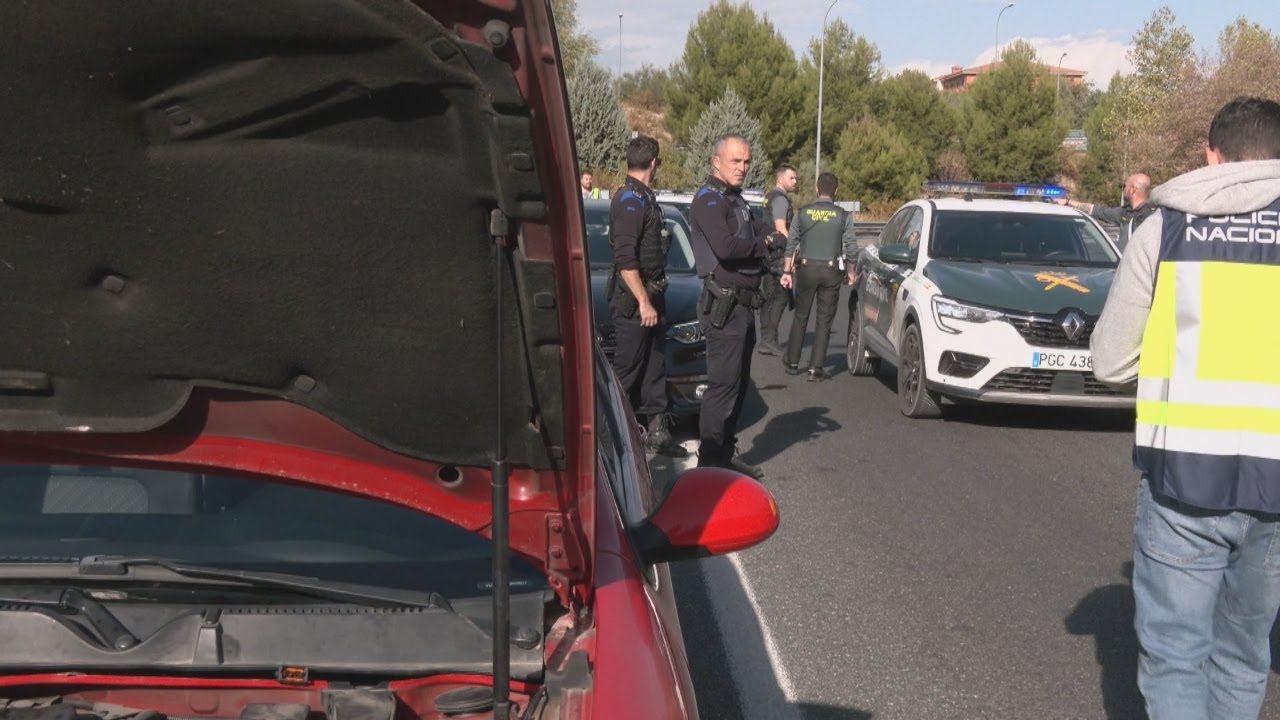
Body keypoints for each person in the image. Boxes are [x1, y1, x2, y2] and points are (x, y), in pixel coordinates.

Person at [1091, 96, 1280, 720]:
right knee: (1245, 655)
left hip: (1183, 481)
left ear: (1210, 155)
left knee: (1175, 656)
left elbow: (1111, 362)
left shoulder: (1163, 228)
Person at [688, 134, 771, 480]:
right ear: (716, 162)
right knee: (722, 387)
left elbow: (759, 228)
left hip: (744, 307)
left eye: (747, 161)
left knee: (737, 385)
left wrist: (774, 235)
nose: (742, 167)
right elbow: (726, 247)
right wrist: (763, 244)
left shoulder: (736, 199)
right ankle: (709, 465)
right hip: (724, 305)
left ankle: (724, 453)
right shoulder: (708, 200)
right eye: (736, 161)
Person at [605, 135, 687, 458]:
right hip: (635, 303)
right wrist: (642, 301)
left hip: (653, 296)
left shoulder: (643, 197)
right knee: (626, 370)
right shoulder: (630, 200)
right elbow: (626, 260)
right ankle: (605, 440)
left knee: (654, 367)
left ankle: (658, 433)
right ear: (654, 162)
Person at [780, 172, 857, 381]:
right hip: (831, 272)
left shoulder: (802, 213)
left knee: (800, 317)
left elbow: (791, 243)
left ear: (816, 189)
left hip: (805, 270)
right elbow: (851, 246)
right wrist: (850, 271)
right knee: (824, 321)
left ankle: (793, 362)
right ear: (836, 191)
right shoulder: (843, 216)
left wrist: (787, 271)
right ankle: (816, 368)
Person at [756, 163, 798, 356]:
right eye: (792, 178)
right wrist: (792, 253)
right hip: (777, 255)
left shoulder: (768, 196)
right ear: (780, 178)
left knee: (768, 297)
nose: (795, 181)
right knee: (779, 297)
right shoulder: (781, 199)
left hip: (767, 252)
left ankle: (766, 338)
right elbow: (781, 228)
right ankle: (769, 339)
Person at [1056, 173, 1154, 251]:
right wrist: (1068, 202)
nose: (1123, 189)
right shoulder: (1124, 212)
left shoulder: (1152, 215)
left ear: (1133, 190)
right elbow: (1097, 211)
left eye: (1124, 186)